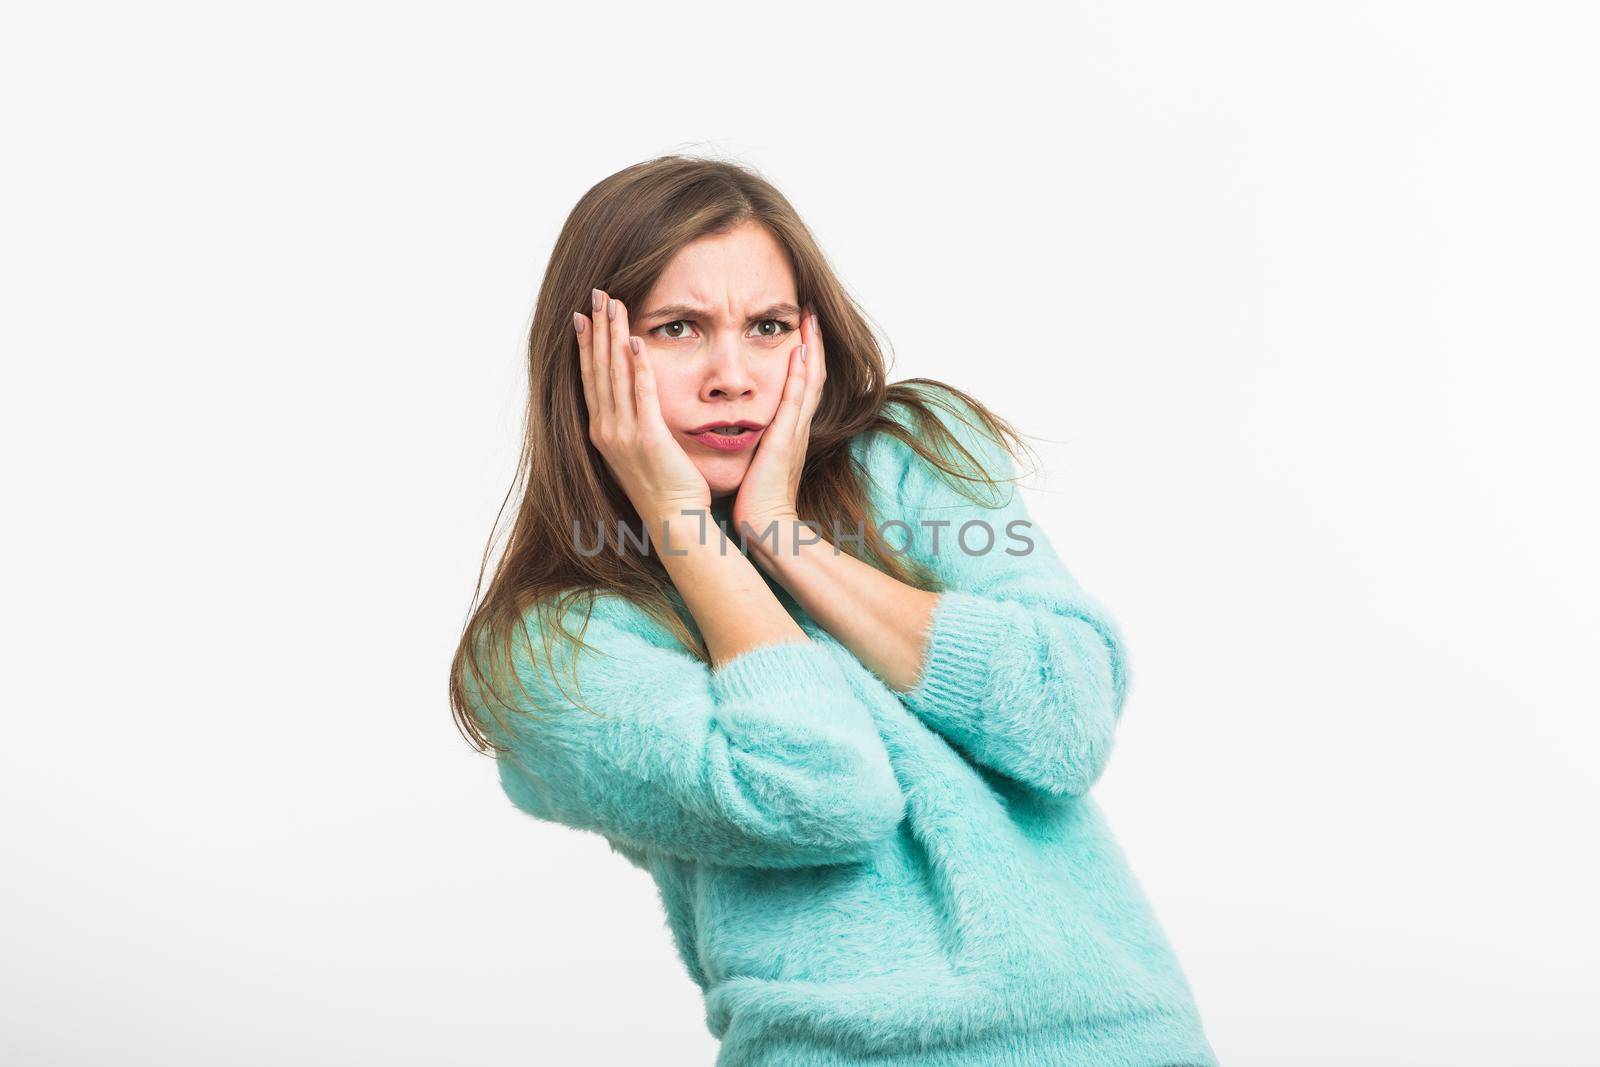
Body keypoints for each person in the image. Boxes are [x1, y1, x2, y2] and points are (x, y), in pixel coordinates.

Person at [450, 155, 1219, 1066]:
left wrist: (783, 538)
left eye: (767, 326)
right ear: (586, 355)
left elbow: (1066, 715)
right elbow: (823, 789)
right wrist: (686, 531)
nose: (731, 374)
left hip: (1127, 1042)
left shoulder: (912, 455)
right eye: (678, 328)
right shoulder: (545, 651)